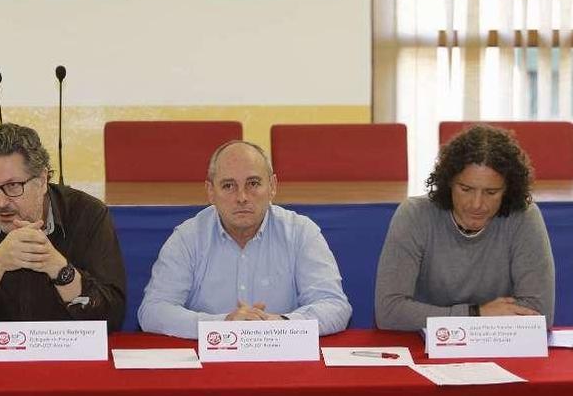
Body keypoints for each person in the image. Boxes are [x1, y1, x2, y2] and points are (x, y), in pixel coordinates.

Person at [137, 140, 352, 339]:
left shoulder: (301, 232)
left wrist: (282, 324)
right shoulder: (188, 237)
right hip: (208, 367)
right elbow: (153, 311)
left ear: (273, 186)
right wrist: (223, 324)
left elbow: (335, 305)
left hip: (282, 360)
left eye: (253, 183)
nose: (241, 197)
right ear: (210, 192)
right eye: (228, 186)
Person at [0, 123, 126, 334]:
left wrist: (58, 268)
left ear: (42, 181)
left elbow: (111, 318)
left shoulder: (88, 215)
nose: (0, 202)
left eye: (13, 186)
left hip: (65, 355)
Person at [375, 125, 555, 331]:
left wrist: (448, 317)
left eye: (491, 192)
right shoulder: (415, 215)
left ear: (508, 190)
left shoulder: (524, 217)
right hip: (422, 347)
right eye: (466, 189)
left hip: (497, 346)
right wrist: (476, 314)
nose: (476, 204)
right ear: (448, 182)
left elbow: (539, 315)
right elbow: (388, 312)